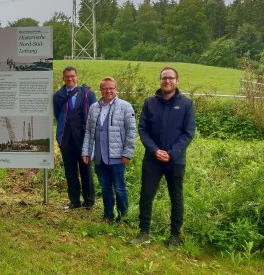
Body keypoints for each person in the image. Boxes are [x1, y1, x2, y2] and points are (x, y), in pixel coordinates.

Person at [131, 67, 196, 250]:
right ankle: (144, 232)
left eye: (171, 78)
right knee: (146, 195)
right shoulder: (150, 102)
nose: (167, 81)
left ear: (177, 81)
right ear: (160, 80)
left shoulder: (186, 104)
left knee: (176, 197)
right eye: (164, 78)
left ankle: (174, 236)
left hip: (175, 160)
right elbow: (143, 129)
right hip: (153, 159)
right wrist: (154, 150)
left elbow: (188, 132)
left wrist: (172, 152)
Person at [81, 76, 136, 223]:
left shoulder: (125, 106)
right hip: (98, 156)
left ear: (116, 89)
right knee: (105, 188)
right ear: (100, 90)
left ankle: (123, 218)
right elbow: (88, 132)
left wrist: (127, 153)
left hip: (117, 156)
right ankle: (108, 216)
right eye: (104, 88)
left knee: (119, 188)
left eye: (111, 88)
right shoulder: (94, 107)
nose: (108, 91)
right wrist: (85, 151)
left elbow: (131, 132)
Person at [54, 66, 97, 210]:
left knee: (86, 170)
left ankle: (89, 201)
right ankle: (74, 201)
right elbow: (58, 115)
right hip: (66, 139)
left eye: (72, 76)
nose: (70, 79)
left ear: (77, 77)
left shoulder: (87, 94)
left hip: (83, 138)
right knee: (70, 171)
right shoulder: (58, 96)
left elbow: (93, 114)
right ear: (63, 78)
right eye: (67, 77)